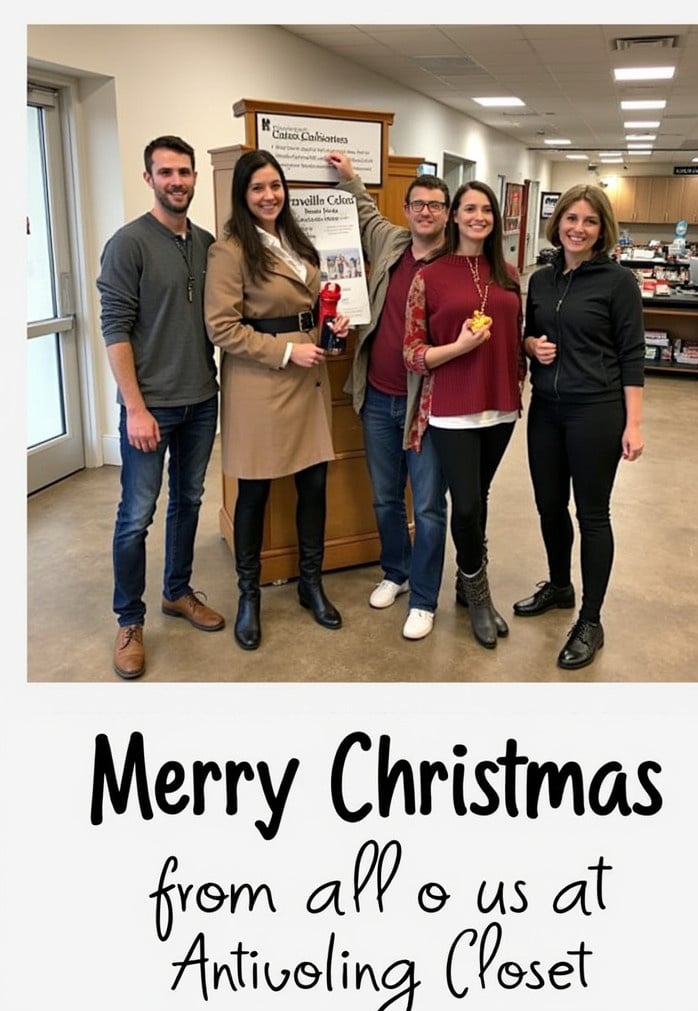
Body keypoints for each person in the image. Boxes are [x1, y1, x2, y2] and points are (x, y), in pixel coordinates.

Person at [204, 149, 350, 651]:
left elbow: (309, 302)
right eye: (257, 188)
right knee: (255, 492)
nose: (269, 196)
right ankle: (250, 596)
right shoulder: (229, 249)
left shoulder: (295, 238)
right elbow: (222, 328)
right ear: (242, 195)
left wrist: (331, 326)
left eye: (274, 185)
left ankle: (311, 584)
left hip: (309, 379)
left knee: (314, 484)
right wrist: (288, 350)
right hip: (261, 382)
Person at [97, 135, 224, 680]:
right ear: (149, 178)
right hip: (151, 409)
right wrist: (135, 408)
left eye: (185, 172)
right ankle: (129, 618)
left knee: (189, 501)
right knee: (135, 516)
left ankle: (176, 591)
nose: (177, 181)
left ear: (195, 178)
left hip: (201, 400)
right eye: (166, 172)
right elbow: (115, 328)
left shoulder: (206, 243)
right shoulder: (128, 244)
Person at [514, 183, 645, 670]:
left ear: (602, 229)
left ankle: (591, 620)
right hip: (546, 408)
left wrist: (634, 424)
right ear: (558, 222)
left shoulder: (618, 283)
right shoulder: (541, 279)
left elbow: (632, 356)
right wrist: (530, 346)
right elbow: (528, 331)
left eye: (590, 221)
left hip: (596, 410)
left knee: (591, 514)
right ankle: (560, 585)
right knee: (549, 504)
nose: (578, 228)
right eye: (572, 218)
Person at [326, 150, 449, 641]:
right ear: (407, 209)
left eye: (435, 205)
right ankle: (395, 573)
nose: (425, 212)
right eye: (417, 204)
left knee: (428, 507)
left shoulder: (457, 262)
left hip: (428, 405)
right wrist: (352, 176)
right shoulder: (393, 242)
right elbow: (364, 213)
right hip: (377, 396)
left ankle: (423, 598)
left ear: (447, 212)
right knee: (384, 499)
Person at [403, 180, 525, 650]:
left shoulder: (509, 273)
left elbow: (518, 335)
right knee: (467, 505)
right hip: (451, 407)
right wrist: (457, 347)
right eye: (469, 208)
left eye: (486, 210)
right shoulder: (429, 275)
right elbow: (411, 352)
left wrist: (525, 359)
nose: (478, 216)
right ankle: (478, 596)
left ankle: (465, 582)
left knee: (481, 500)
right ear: (453, 216)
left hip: (500, 405)